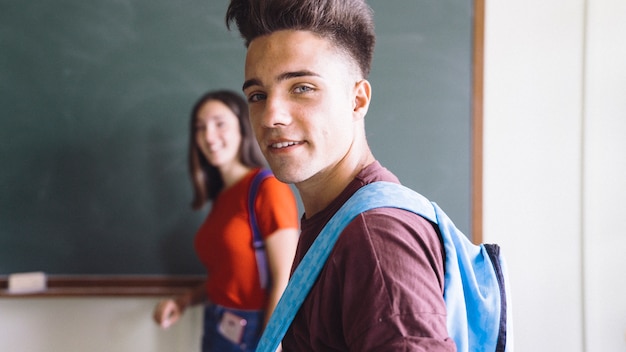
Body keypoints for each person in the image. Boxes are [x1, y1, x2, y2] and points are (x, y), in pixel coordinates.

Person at [225, 0, 457, 351]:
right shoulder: (334, 220)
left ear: (357, 101)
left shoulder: (375, 237)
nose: (271, 115)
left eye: (302, 87)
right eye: (257, 95)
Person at [153, 90, 300, 352]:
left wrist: (270, 346)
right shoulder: (221, 198)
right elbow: (227, 278)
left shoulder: (268, 189)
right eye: (200, 128)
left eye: (219, 124)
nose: (209, 136)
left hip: (255, 333)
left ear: (243, 127)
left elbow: (284, 281)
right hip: (216, 326)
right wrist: (185, 301)